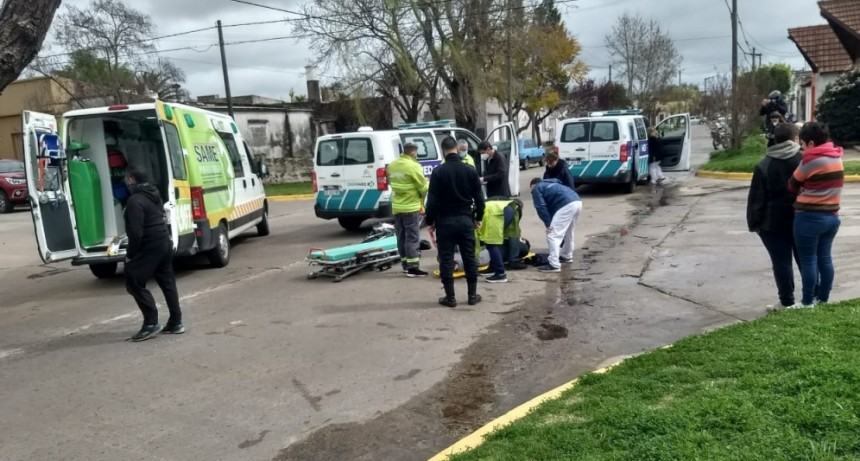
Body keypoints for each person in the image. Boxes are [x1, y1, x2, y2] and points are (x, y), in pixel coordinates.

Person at [746, 123, 803, 310]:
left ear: (775, 139)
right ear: (796, 138)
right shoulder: (804, 160)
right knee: (806, 260)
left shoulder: (764, 164)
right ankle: (812, 298)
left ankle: (787, 302)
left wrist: (755, 224)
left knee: (781, 263)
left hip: (772, 224)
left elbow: (756, 198)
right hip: (801, 219)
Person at [123, 166, 183, 341]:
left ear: (132, 180)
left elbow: (136, 232)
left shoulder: (135, 200)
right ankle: (176, 322)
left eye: (128, 179)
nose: (127, 182)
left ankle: (151, 323)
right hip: (164, 242)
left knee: (133, 280)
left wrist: (130, 254)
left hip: (151, 245)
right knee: (167, 281)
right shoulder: (154, 193)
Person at [788, 122, 844, 308]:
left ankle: (806, 302)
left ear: (811, 143)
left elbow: (792, 183)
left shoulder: (810, 160)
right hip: (832, 217)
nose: (802, 148)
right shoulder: (837, 157)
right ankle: (823, 299)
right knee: (825, 258)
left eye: (803, 144)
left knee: (808, 260)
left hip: (809, 218)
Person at [425, 136, 486, 307]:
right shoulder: (469, 170)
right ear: (457, 149)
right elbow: (480, 200)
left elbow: (432, 202)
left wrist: (430, 221)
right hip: (466, 220)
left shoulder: (438, 172)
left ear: (443, 150)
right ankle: (472, 295)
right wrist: (478, 218)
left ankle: (450, 297)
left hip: (445, 222)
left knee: (446, 259)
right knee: (469, 258)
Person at [387, 142, 430, 277]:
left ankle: (405, 264)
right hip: (411, 207)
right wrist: (427, 182)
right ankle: (413, 268)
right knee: (412, 237)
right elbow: (423, 188)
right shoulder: (414, 166)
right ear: (412, 152)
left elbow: (391, 183)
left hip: (397, 206)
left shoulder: (392, 165)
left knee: (401, 236)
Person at [530, 177, 582, 273]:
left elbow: (541, 207)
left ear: (532, 186)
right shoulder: (553, 184)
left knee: (552, 234)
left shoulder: (537, 188)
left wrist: (548, 224)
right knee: (569, 232)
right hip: (577, 201)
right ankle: (567, 256)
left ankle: (554, 264)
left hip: (566, 204)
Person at [477, 198, 522, 283]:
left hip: (498, 213)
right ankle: (495, 268)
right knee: (495, 243)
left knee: (491, 244)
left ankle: (500, 273)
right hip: (505, 209)